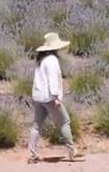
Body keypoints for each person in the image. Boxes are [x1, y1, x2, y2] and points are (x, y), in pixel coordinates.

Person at [28, 32, 78, 163]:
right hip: (49, 97)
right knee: (64, 121)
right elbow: (53, 80)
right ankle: (71, 150)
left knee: (37, 125)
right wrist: (56, 97)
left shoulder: (41, 60)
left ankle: (33, 153)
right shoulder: (52, 60)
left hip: (38, 97)